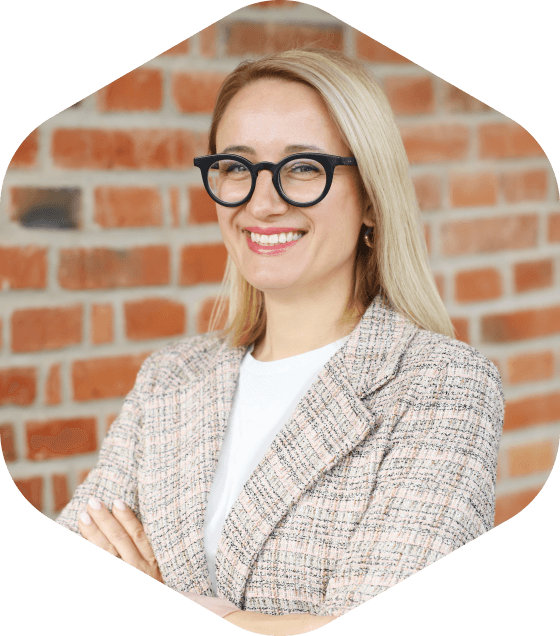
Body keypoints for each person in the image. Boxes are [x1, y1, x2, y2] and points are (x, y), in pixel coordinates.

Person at [56, 47, 504, 635]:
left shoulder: (442, 384)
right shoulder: (170, 377)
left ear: (371, 199)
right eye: (236, 167)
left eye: (303, 168)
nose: (261, 203)